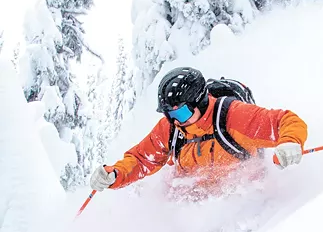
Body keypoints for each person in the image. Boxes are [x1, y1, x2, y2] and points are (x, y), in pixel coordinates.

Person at [90, 67, 308, 199]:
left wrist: (290, 142)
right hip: (189, 199)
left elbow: (286, 121)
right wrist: (115, 174)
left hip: (243, 194)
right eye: (168, 114)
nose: (175, 120)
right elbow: (140, 159)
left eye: (181, 113)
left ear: (200, 102)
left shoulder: (231, 116)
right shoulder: (171, 128)